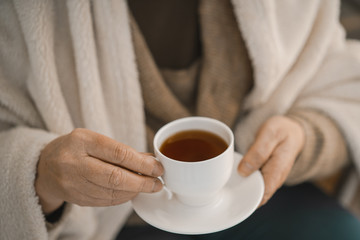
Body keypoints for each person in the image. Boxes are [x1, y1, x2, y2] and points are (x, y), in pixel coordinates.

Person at [1, 0, 360, 239]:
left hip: (256, 195)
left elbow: (336, 72)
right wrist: (39, 173)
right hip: (107, 224)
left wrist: (306, 133)